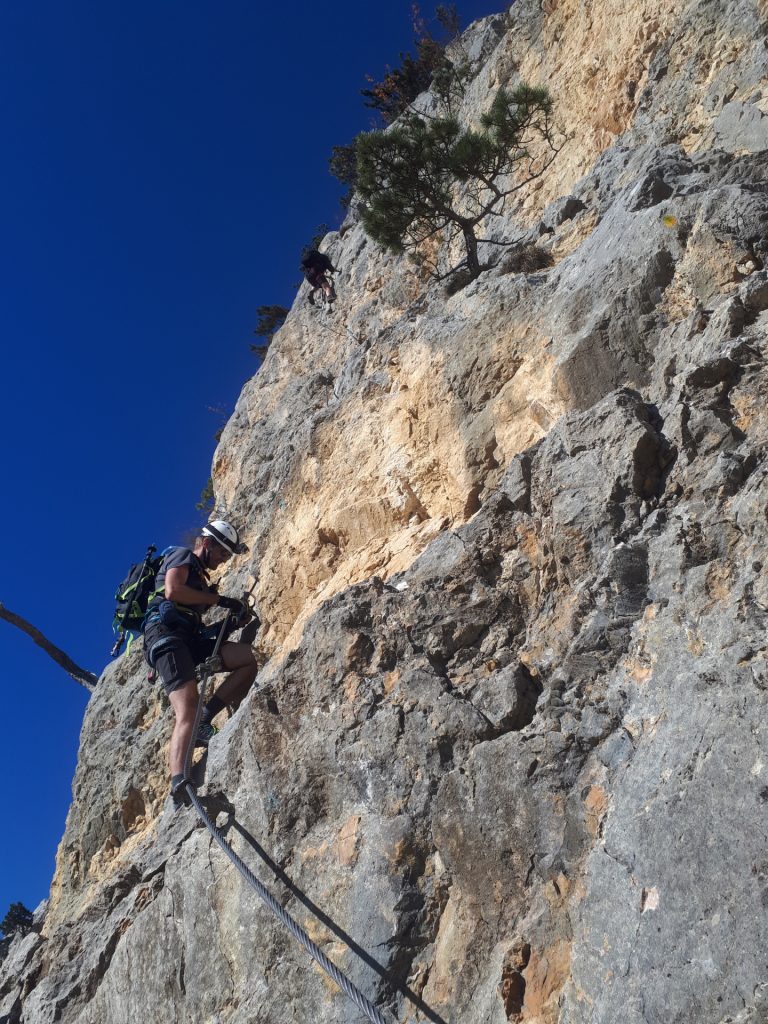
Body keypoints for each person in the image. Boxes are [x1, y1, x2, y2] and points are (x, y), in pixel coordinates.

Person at [143, 520, 258, 807]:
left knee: (247, 660)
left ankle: (205, 718)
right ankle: (178, 780)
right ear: (206, 543)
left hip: (187, 639)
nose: (223, 560)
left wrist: (232, 620)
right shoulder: (182, 556)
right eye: (222, 553)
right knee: (186, 708)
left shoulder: (200, 581)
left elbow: (198, 627)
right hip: (166, 638)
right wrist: (220, 599)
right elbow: (172, 591)